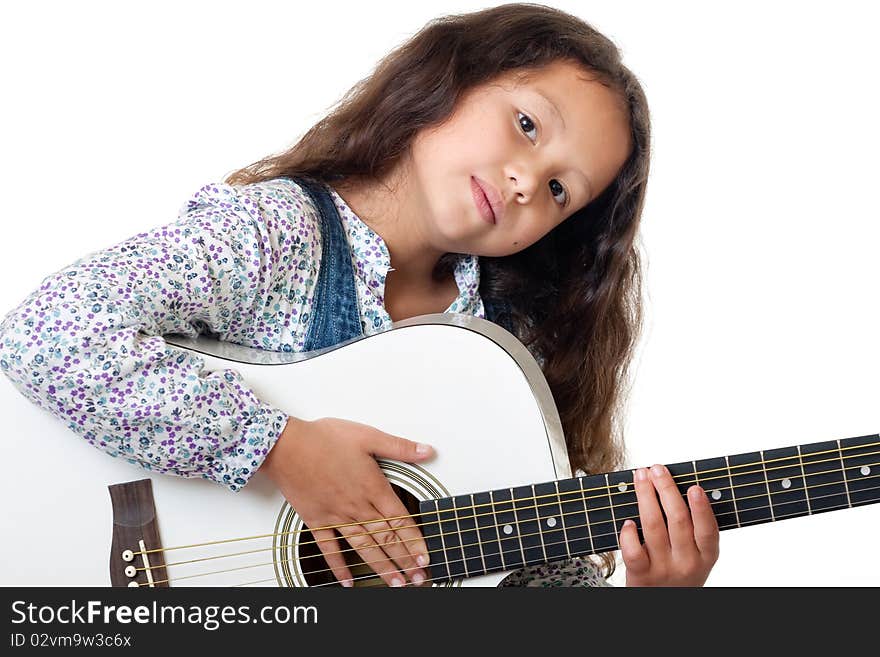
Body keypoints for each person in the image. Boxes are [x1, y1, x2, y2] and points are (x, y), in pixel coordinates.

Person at [0, 3, 719, 587]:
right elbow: (48, 333)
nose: (528, 181)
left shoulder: (504, 355)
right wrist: (278, 447)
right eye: (526, 125)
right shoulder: (277, 235)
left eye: (560, 190)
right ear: (452, 77)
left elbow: (523, 577)